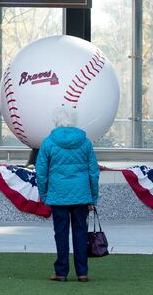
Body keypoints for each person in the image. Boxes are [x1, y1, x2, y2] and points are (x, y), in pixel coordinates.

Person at [35, 106, 99, 283]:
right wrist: (93, 197)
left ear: (56, 120)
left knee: (61, 234)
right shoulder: (85, 142)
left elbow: (41, 172)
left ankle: (61, 272)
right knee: (80, 233)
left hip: (58, 195)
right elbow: (94, 172)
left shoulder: (48, 142)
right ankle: (82, 272)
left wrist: (44, 194)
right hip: (81, 195)